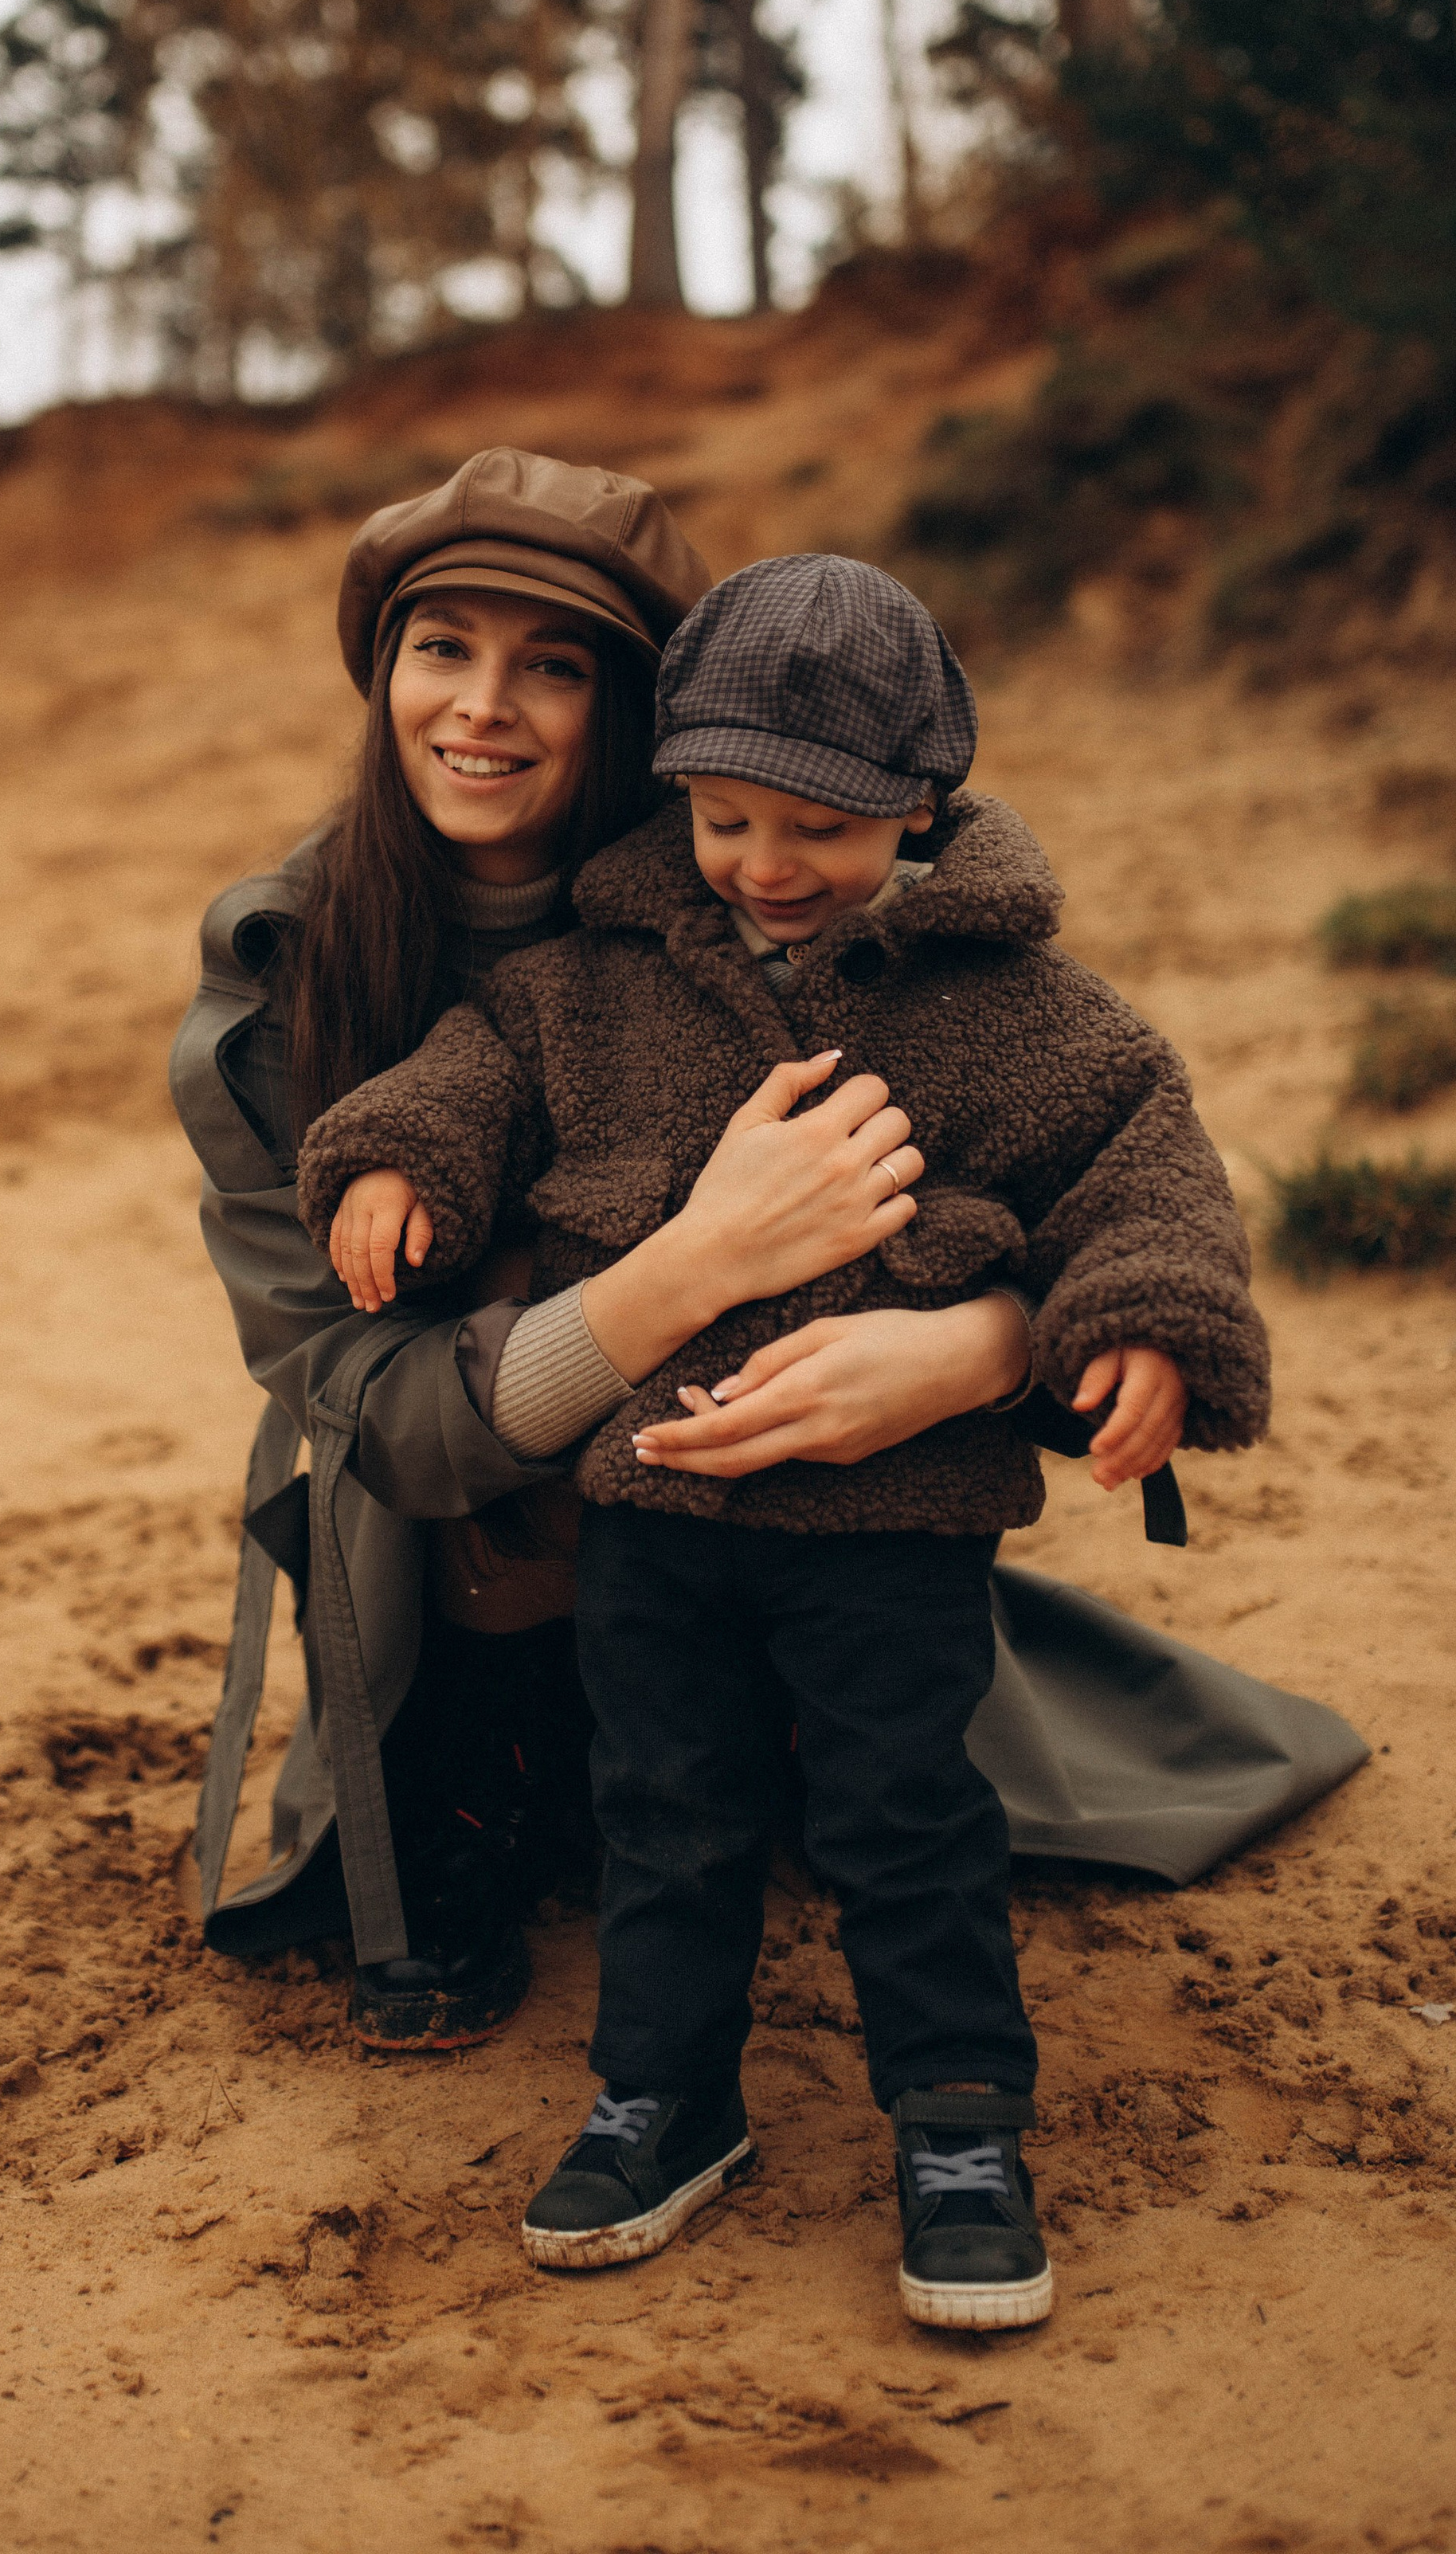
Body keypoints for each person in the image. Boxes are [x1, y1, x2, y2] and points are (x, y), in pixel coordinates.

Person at [171, 453, 1364, 2062]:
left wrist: (986, 1346)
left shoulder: (820, 908)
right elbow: (372, 1397)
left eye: (556, 664)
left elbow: (1085, 1153)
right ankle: (476, 1799)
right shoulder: (295, 971)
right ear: (379, 667)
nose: (483, 707)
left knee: (872, 1768)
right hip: (477, 1531)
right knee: (591, 1757)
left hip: (805, 1489)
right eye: (439, 646)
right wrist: (693, 1258)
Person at [299, 552, 1274, 2328]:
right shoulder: (585, 980)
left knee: (905, 1815)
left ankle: (958, 2123)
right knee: (663, 1809)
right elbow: (467, 1074)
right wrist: (394, 1159)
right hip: (653, 1511)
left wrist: (1139, 1323)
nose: (760, 865)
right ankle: (659, 2098)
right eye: (724, 816)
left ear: (918, 804)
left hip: (892, 1526)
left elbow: (1139, 1167)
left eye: (816, 828)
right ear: (673, 787)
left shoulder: (1019, 1009)